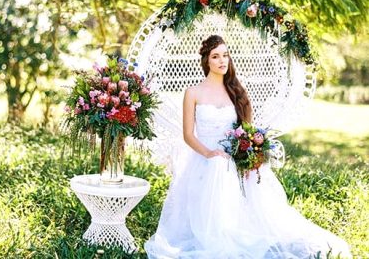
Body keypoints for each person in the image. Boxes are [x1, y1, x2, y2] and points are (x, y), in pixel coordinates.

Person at [144, 35, 352, 258]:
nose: (222, 61)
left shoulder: (237, 92)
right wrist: (210, 153)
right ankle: (214, 232)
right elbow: (187, 135)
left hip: (234, 159)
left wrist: (246, 155)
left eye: (225, 55)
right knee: (216, 166)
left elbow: (247, 132)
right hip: (206, 159)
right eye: (216, 56)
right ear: (207, 61)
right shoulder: (193, 93)